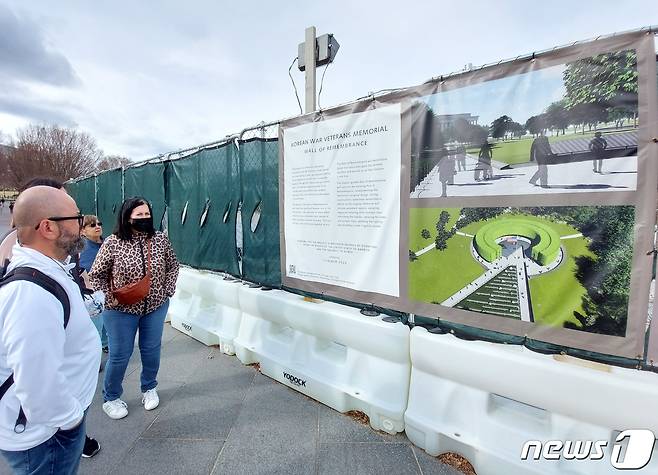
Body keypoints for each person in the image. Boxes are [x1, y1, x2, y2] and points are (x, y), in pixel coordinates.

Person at [0, 186, 101, 474]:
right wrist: (71, 420)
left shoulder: (48, 269)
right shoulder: (31, 295)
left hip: (48, 427)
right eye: (75, 217)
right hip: (46, 436)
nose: (81, 224)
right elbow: (37, 386)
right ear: (47, 228)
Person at [89, 197, 179, 420]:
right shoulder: (113, 243)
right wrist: (110, 300)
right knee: (120, 354)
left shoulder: (160, 240)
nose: (144, 218)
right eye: (139, 215)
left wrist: (167, 290)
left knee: (151, 350)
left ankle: (149, 388)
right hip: (120, 310)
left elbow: (173, 266)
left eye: (147, 214)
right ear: (127, 217)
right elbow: (96, 275)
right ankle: (111, 397)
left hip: (155, 306)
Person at [80, 215, 109, 354]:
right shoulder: (80, 248)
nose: (97, 226)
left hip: (110, 292)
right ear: (83, 231)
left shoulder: (108, 243)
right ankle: (95, 357)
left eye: (99, 223)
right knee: (96, 327)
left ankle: (106, 344)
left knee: (108, 325)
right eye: (92, 225)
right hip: (91, 295)